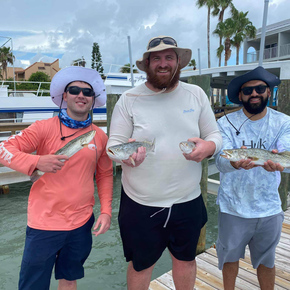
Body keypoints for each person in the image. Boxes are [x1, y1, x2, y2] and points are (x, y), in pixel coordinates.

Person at [106, 36, 223, 290]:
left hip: (188, 200)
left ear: (178, 61)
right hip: (140, 204)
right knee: (140, 265)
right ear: (147, 63)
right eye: (156, 58)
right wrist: (127, 157)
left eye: (169, 57)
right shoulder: (128, 99)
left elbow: (214, 135)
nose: (163, 63)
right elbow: (112, 147)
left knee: (186, 260)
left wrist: (209, 147)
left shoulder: (197, 94)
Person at [0, 66, 113, 290]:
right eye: (74, 90)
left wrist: (107, 211)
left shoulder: (99, 136)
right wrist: (36, 162)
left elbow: (105, 174)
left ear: (93, 99)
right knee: (33, 285)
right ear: (64, 95)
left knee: (69, 279)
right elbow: (4, 148)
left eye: (87, 92)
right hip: (43, 224)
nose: (81, 95)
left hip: (81, 223)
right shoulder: (42, 128)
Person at [215, 66, 290, 290]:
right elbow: (221, 159)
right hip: (232, 207)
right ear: (240, 95)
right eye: (248, 91)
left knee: (267, 261)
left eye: (260, 89)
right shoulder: (224, 123)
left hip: (269, 207)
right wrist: (233, 163)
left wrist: (279, 165)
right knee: (229, 259)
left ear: (269, 92)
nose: (254, 94)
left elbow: (286, 159)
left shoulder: (284, 122)